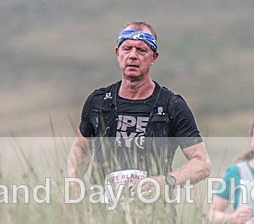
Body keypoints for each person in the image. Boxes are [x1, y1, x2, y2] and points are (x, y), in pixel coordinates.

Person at [67, 21, 210, 198]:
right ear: (118, 53)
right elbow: (81, 148)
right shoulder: (98, 101)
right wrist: (74, 183)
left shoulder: (171, 105)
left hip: (156, 211)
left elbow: (202, 164)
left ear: (154, 57)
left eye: (141, 50)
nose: (133, 56)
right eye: (127, 48)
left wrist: (164, 182)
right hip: (101, 211)